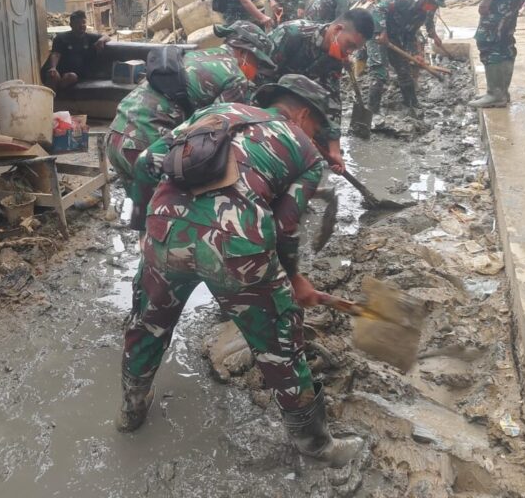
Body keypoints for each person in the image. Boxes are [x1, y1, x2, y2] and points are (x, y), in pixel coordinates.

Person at [118, 75, 364, 468]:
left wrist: (154, 219)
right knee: (280, 342)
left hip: (165, 235)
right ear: (303, 115)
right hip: (237, 250)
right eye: (318, 127)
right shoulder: (305, 151)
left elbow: (147, 163)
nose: (316, 137)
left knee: (148, 322)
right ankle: (315, 444)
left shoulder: (214, 113)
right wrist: (293, 278)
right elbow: (285, 227)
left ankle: (131, 409)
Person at [106, 21, 275, 195]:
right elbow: (217, 132)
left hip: (116, 133)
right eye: (257, 62)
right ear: (243, 52)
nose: (257, 70)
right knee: (170, 204)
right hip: (145, 143)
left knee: (138, 204)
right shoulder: (235, 76)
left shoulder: (197, 55)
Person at [266, 10, 374, 174]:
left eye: (355, 49)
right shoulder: (292, 34)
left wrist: (335, 151)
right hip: (268, 95)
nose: (350, 52)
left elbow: (332, 98)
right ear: (338, 30)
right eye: (350, 45)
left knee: (321, 142)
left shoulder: (335, 58)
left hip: (298, 103)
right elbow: (259, 75)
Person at [367, 0, 455, 118]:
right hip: (377, 34)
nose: (432, 8)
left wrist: (415, 53)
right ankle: (372, 112)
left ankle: (411, 104)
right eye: (432, 4)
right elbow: (378, 9)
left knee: (404, 71)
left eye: (435, 6)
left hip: (394, 37)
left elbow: (410, 34)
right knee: (380, 72)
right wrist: (382, 31)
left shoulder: (422, 14)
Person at [40, 10, 109, 91]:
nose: (81, 25)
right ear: (71, 25)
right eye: (77, 23)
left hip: (72, 75)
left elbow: (107, 36)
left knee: (71, 77)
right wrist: (53, 68)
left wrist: (101, 40)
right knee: (53, 75)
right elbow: (56, 54)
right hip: (57, 70)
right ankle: (51, 95)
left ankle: (57, 93)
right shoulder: (61, 38)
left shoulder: (90, 38)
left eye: (83, 22)